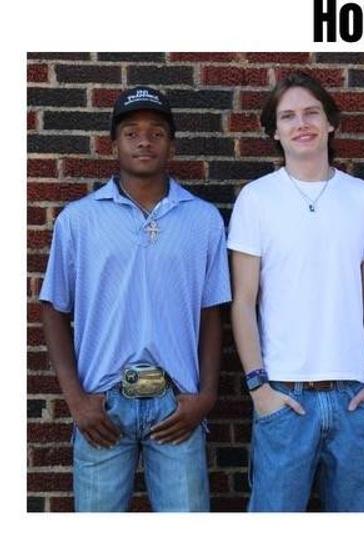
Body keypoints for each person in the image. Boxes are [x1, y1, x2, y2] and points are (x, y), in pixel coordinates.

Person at [39, 86, 230, 511]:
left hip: (176, 403)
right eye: (131, 132)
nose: (144, 140)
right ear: (113, 144)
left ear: (171, 145)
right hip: (102, 402)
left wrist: (207, 394)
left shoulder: (202, 219)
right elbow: (53, 309)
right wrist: (75, 399)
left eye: (157, 132)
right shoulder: (79, 220)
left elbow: (212, 312)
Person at [228, 73, 364, 511]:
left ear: (330, 123)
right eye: (288, 116)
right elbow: (243, 302)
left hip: (354, 396)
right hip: (284, 394)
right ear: (274, 131)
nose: (301, 123)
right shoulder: (256, 199)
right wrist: (258, 387)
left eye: (310, 113)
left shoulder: (363, 198)